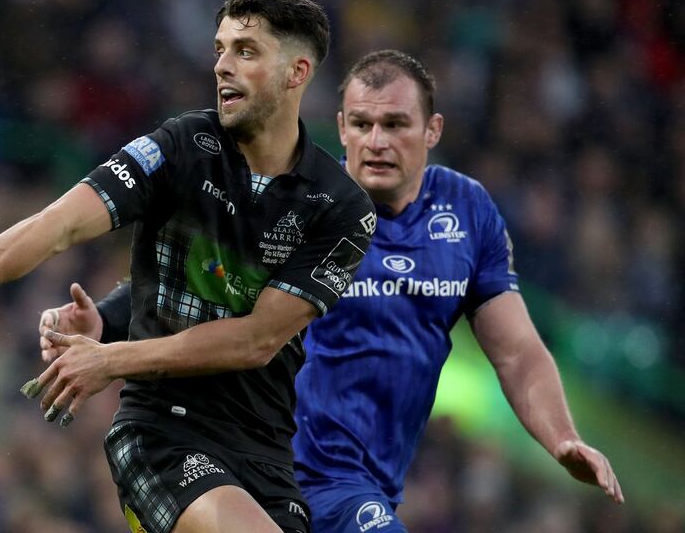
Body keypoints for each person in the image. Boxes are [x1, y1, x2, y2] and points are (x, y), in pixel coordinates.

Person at [0, 0, 376, 533]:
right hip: (163, 435)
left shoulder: (341, 208)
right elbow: (59, 224)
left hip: (267, 459)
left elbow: (255, 338)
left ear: (296, 73)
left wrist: (108, 344)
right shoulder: (179, 147)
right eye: (219, 48)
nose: (222, 65)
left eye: (245, 51)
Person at [39, 50, 624, 533]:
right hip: (273, 470)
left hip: (363, 485)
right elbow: (205, 281)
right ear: (341, 126)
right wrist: (108, 324)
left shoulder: (467, 212)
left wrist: (563, 438)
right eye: (362, 124)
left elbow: (517, 351)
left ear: (432, 130)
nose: (376, 141)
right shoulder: (305, 202)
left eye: (395, 124)